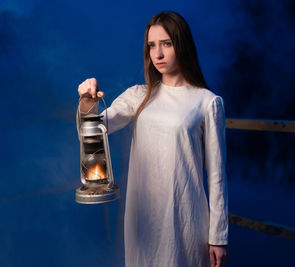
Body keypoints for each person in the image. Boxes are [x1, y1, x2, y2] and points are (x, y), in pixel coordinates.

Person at [77, 11, 228, 267]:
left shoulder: (207, 102)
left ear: (182, 44)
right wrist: (87, 101)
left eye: (166, 44)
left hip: (185, 217)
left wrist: (219, 237)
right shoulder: (139, 95)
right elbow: (92, 130)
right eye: (151, 46)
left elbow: (216, 175)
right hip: (142, 216)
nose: (157, 54)